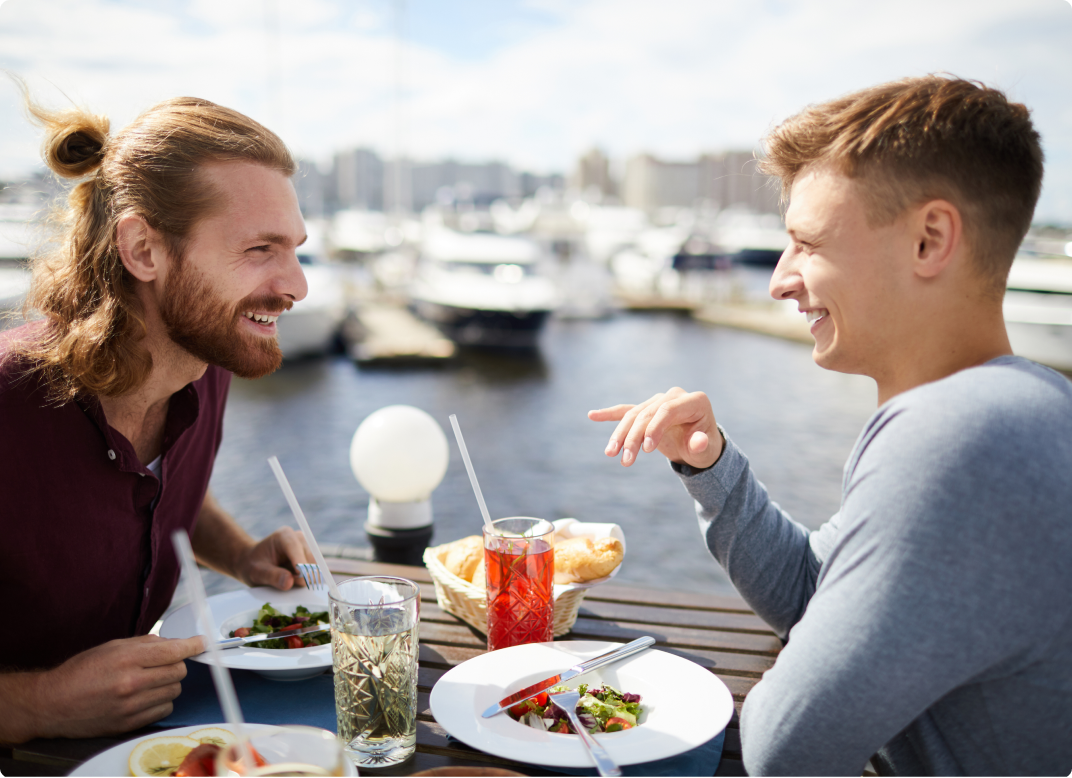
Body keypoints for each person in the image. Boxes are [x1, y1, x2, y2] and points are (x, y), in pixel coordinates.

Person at [590, 76, 1072, 776]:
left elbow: (786, 749)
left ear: (930, 240)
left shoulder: (957, 439)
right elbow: (815, 594)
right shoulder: (1029, 404)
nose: (779, 280)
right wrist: (710, 465)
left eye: (808, 243)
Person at [0, 90, 317, 743]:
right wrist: (36, 706)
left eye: (295, 249)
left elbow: (149, 490)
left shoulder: (210, 356)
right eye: (261, 249)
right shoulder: (8, 410)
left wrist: (241, 555)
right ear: (144, 250)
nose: (296, 285)